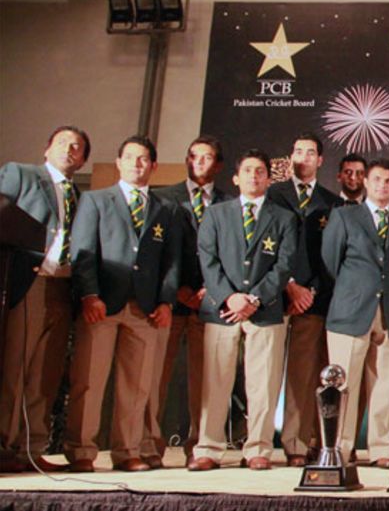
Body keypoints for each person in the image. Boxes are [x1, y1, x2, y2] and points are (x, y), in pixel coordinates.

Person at [65, 135, 180, 472]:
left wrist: (166, 301)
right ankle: (82, 451)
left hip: (145, 308)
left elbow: (171, 262)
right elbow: (83, 253)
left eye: (143, 159)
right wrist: (89, 294)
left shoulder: (166, 209)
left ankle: (127, 451)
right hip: (101, 304)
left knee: (138, 384)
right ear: (118, 162)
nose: (136, 164)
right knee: (89, 379)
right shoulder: (96, 201)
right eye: (129, 157)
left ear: (154, 166)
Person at [188, 149, 296, 472]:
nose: (254, 176)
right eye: (247, 170)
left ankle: (258, 448)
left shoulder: (284, 218)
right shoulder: (216, 214)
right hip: (222, 310)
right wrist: (229, 297)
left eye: (260, 171)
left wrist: (254, 299)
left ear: (269, 178)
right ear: (236, 178)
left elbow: (284, 264)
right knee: (215, 380)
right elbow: (207, 259)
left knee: (263, 383)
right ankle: (208, 447)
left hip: (265, 310)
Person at [0, 126, 89, 473]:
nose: (70, 149)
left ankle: (32, 448)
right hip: (27, 281)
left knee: (45, 373)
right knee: (15, 367)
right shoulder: (20, 174)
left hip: (64, 288)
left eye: (78, 147)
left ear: (83, 158)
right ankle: (5, 446)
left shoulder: (83, 197)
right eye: (64, 143)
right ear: (47, 148)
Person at [145, 136, 230, 467]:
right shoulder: (163, 199)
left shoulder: (229, 202)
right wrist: (176, 289)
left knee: (205, 379)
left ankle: (200, 445)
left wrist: (212, 289)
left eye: (207, 158)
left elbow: (230, 255)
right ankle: (150, 442)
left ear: (218, 165)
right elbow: (158, 251)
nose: (200, 163)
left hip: (209, 301)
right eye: (194, 157)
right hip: (169, 300)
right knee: (155, 375)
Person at [322, 159, 389, 469]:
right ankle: (339, 449)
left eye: (388, 180)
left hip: (387, 313)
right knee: (343, 384)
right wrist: (355, 290)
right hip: (350, 311)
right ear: (366, 183)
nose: (382, 185)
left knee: (385, 385)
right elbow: (331, 261)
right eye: (377, 180)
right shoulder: (345, 216)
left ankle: (382, 448)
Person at [266, 132, 342, 467]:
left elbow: (333, 256)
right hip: (273, 296)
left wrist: (308, 290)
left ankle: (296, 444)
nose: (303, 157)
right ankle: (257, 445)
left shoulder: (332, 202)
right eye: (298, 151)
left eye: (311, 152)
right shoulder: (272, 194)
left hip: (312, 300)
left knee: (302, 375)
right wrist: (288, 284)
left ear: (320, 161)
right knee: (264, 375)